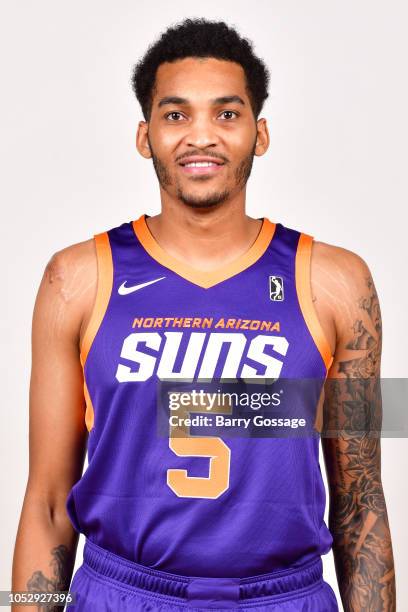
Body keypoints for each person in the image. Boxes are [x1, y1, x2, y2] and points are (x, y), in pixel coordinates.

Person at [12, 17, 395, 612]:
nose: (201, 137)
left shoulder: (338, 283)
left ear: (259, 133)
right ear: (145, 137)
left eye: (226, 113)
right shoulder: (78, 278)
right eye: (175, 114)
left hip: (283, 597)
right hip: (123, 593)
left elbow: (361, 499)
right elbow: (49, 501)